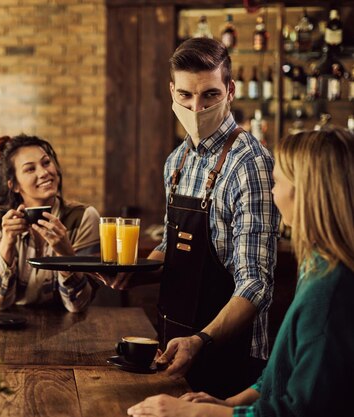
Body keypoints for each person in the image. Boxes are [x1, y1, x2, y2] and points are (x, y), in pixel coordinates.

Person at [127, 127, 354, 417]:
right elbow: (281, 370)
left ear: (306, 191)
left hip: (232, 358)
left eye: (277, 182)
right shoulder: (316, 267)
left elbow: (302, 411)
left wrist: (194, 414)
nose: (271, 192)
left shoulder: (330, 292)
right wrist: (230, 404)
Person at [99, 38, 280, 397]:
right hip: (174, 342)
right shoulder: (177, 161)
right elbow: (176, 249)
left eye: (209, 95)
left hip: (228, 354)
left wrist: (201, 340)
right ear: (172, 91)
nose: (196, 107)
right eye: (185, 95)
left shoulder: (249, 163)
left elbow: (256, 283)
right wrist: (132, 274)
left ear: (229, 90)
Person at [0, 134, 100, 312]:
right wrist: (7, 243)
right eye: (30, 169)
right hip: (8, 323)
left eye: (46, 162)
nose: (44, 173)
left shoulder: (84, 217)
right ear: (14, 185)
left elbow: (78, 305)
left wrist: (65, 254)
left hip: (68, 326)